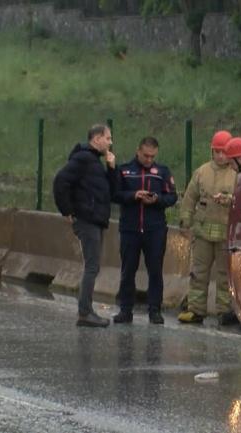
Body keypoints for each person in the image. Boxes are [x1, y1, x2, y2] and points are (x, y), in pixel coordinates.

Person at [53, 124, 116, 327]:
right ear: (96, 139)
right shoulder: (83, 159)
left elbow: (111, 192)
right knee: (91, 266)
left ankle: (86, 311)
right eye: (107, 138)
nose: (110, 142)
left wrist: (112, 168)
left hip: (96, 219)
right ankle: (85, 312)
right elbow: (60, 181)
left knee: (93, 266)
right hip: (87, 219)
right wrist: (68, 210)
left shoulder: (95, 162)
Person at [111, 136, 177, 325]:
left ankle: (155, 310)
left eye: (152, 156)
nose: (149, 160)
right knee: (127, 270)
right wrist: (134, 195)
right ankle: (125, 310)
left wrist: (156, 200)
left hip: (154, 229)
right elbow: (115, 194)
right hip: (130, 229)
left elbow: (172, 197)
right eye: (145, 156)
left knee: (155, 270)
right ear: (138, 151)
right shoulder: (124, 171)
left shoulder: (162, 172)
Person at [177, 130, 240, 326]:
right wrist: (185, 222)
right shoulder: (202, 172)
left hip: (225, 235)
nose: (221, 156)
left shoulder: (237, 174)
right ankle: (195, 310)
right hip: (202, 234)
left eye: (224, 152)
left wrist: (229, 200)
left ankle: (225, 312)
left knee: (224, 276)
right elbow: (189, 199)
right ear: (212, 151)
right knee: (198, 273)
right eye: (217, 151)